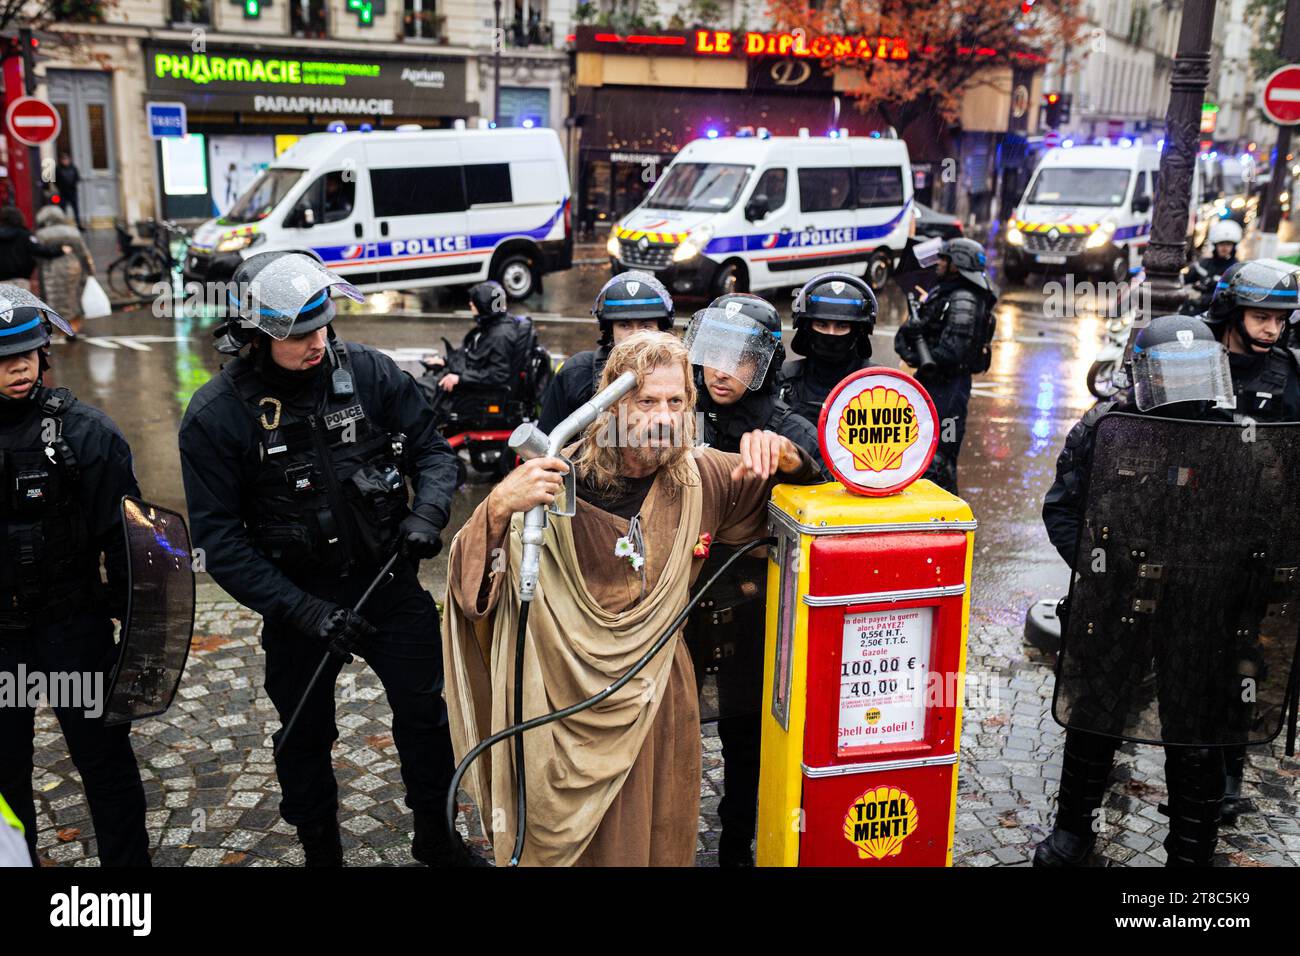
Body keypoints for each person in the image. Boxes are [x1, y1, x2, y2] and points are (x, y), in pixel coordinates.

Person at [443, 331, 823, 866]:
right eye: (646, 401)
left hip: (659, 701)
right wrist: (499, 507)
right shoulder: (554, 479)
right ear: (612, 404)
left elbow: (800, 511)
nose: (664, 416)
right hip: (561, 704)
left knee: (656, 837)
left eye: (676, 402)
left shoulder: (704, 477)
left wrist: (789, 458)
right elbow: (471, 591)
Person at [178, 250, 476, 867]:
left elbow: (434, 452)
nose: (316, 343)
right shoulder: (217, 416)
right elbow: (220, 543)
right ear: (257, 336)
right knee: (303, 736)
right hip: (297, 604)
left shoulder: (368, 372)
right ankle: (322, 852)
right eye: (298, 334)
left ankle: (438, 838)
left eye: (323, 325)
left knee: (425, 718)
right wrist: (305, 612)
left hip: (386, 585)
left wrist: (427, 514)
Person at [1037, 314, 1241, 867]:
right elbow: (1062, 507)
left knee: (1195, 730)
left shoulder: (1235, 433)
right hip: (1116, 598)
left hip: (1197, 606)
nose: (1186, 385)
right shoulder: (1106, 424)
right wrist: (1099, 569)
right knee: (1093, 714)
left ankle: (1191, 851)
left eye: (1197, 371)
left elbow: (1262, 523)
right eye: (1175, 373)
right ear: (1146, 373)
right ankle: (1073, 833)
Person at [0, 285, 150, 866]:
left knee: (104, 763)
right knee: (4, 773)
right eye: (2, 357)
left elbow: (136, 553)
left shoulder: (86, 434)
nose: (18, 366)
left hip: (72, 629)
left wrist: (135, 654)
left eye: (29, 352)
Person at [685, 293, 824, 866]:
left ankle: (737, 844)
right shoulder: (678, 407)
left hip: (750, 608)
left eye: (740, 359)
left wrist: (795, 461)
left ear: (764, 363)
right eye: (713, 353)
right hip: (678, 600)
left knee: (747, 736)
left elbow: (823, 482)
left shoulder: (781, 422)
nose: (722, 370)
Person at [1202, 258, 1300, 820]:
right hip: (1189, 539)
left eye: (1280, 320)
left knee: (1244, 658)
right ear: (1234, 311)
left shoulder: (1291, 375)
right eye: (1261, 317)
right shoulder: (1193, 359)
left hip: (1257, 546)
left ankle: (1229, 767)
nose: (1272, 329)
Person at [894, 238, 997, 495]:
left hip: (948, 391)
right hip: (935, 385)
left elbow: (954, 352)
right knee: (922, 448)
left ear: (957, 264)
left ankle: (947, 514)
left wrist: (922, 351)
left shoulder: (964, 298)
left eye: (944, 259)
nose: (938, 263)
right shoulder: (950, 291)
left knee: (942, 454)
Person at [537, 270, 673, 433]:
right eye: (624, 325)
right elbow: (545, 444)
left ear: (661, 330)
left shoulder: (678, 378)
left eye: (646, 326)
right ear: (610, 330)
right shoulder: (576, 374)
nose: (636, 336)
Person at [780, 271, 877, 430]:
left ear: (858, 332)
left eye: (842, 326)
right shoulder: (784, 380)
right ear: (806, 328)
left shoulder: (878, 382)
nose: (831, 334)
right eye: (822, 325)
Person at [421, 280, 525, 423]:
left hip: (477, 395)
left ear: (485, 306)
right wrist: (445, 361)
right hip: (470, 383)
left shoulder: (500, 336)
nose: (470, 304)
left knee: (417, 392)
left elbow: (498, 375)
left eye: (475, 302)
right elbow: (474, 355)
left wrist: (459, 378)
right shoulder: (494, 325)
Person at [35, 205, 95, 338]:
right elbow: (83, 252)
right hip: (74, 267)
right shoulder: (72, 231)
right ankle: (72, 328)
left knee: (55, 299)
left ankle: (59, 329)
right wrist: (90, 270)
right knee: (73, 298)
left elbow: (38, 255)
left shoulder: (42, 234)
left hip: (51, 269)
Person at [0, 206, 68, 290]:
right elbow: (40, 250)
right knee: (21, 302)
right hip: (20, 280)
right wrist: (61, 250)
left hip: (1, 281)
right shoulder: (25, 235)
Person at [1184, 219, 1243, 314]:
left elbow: (1231, 295)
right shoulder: (1204, 263)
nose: (1224, 248)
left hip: (1219, 314)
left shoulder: (1237, 269)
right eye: (1221, 244)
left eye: (1228, 244)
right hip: (1196, 310)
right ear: (1215, 245)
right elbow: (1185, 278)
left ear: (1234, 246)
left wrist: (1201, 299)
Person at [54, 154, 82, 230]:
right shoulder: (58, 169)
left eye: (66, 159)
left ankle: (78, 224)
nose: (65, 161)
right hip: (63, 192)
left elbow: (77, 177)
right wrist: (60, 187)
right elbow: (55, 180)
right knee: (63, 209)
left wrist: (73, 184)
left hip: (72, 191)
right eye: (64, 160)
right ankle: (63, 224)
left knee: (75, 208)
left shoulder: (73, 168)